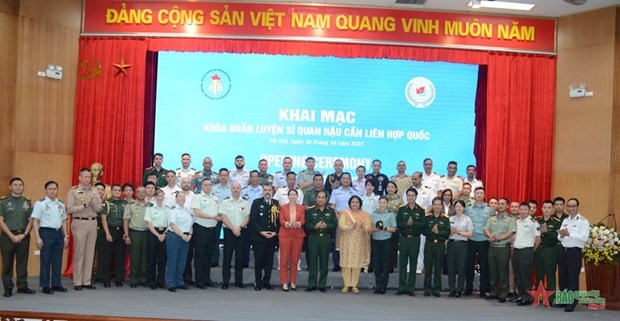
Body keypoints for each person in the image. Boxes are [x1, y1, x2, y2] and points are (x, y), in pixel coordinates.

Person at [67, 169, 102, 291]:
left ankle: (87, 281)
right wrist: (85, 205)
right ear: (80, 177)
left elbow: (99, 209)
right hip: (79, 222)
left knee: (90, 253)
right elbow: (69, 209)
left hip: (93, 222)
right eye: (85, 177)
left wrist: (93, 204)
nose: (88, 179)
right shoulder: (73, 191)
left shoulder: (95, 190)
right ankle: (77, 281)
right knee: (79, 252)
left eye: (89, 177)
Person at [32, 180, 68, 295]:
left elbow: (63, 221)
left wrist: (65, 236)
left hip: (58, 234)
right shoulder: (40, 204)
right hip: (46, 233)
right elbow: (35, 221)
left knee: (57, 261)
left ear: (57, 190)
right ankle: (45, 285)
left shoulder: (61, 204)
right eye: (50, 189)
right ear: (45, 190)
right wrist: (37, 237)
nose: (53, 191)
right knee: (46, 260)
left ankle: (56, 284)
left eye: (55, 189)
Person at [557, 198, 590, 312]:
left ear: (577, 207)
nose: (571, 208)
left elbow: (584, 238)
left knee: (573, 279)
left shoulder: (583, 221)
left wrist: (569, 234)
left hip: (574, 252)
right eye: (569, 206)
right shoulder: (565, 220)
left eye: (573, 206)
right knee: (563, 278)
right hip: (563, 251)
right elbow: (559, 237)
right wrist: (561, 235)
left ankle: (573, 301)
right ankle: (564, 300)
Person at [484, 198, 516, 302]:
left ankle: (503, 293)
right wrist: (490, 237)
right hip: (492, 248)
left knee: (503, 272)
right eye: (498, 204)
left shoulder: (511, 219)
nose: (500, 205)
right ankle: (494, 292)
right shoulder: (492, 218)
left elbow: (511, 233)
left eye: (503, 204)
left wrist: (497, 239)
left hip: (503, 248)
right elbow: (486, 229)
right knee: (493, 272)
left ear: (507, 206)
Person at [338, 195, 372, 294]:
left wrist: (363, 227)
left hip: (359, 241)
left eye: (357, 202)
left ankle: (354, 285)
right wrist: (350, 226)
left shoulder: (365, 214)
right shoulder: (344, 213)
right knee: (346, 262)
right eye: (353, 202)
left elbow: (369, 228)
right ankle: (346, 284)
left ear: (360, 203)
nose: (355, 204)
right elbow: (341, 225)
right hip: (347, 240)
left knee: (356, 263)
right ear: (349, 203)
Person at [190, 179, 221, 289]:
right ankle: (199, 281)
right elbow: (197, 212)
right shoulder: (197, 197)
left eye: (209, 185)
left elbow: (219, 213)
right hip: (200, 229)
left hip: (212, 230)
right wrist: (212, 217)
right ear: (202, 186)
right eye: (205, 185)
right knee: (200, 256)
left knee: (208, 256)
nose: (208, 187)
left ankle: (207, 279)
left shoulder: (216, 198)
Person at [219, 182, 250, 289]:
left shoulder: (245, 203)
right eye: (234, 188)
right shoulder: (225, 202)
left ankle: (239, 281)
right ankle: (225, 282)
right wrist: (233, 228)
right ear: (230, 189)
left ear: (240, 189)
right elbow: (223, 216)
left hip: (241, 231)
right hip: (229, 231)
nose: (236, 190)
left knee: (239, 257)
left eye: (238, 188)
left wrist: (239, 228)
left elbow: (247, 217)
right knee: (227, 257)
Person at [463, 187, 493, 297]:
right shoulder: (468, 209)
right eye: (477, 193)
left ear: (484, 195)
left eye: (481, 193)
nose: (479, 195)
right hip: (471, 240)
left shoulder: (490, 210)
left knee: (484, 266)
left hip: (484, 240)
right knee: (469, 265)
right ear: (474, 195)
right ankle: (468, 288)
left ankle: (483, 289)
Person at [395, 188, 425, 296]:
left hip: (415, 239)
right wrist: (406, 224)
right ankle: (402, 287)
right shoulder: (402, 209)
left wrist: (413, 224)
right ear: (406, 197)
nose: (411, 197)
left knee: (413, 263)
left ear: (416, 197)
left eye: (413, 195)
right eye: (409, 195)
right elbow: (398, 224)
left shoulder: (421, 210)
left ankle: (411, 287)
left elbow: (422, 226)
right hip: (403, 238)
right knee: (402, 263)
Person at [305, 190, 337, 292]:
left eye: (323, 197)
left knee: (324, 262)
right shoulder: (310, 210)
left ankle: (322, 284)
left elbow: (334, 224)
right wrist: (315, 226)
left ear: (326, 199)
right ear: (316, 198)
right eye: (319, 197)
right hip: (313, 238)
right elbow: (306, 225)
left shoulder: (331, 211)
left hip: (325, 238)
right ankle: (312, 284)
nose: (321, 199)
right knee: (312, 262)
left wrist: (326, 225)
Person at [250, 184, 279, 290]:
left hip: (272, 237)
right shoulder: (256, 202)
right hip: (259, 237)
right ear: (262, 191)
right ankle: (258, 282)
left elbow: (278, 220)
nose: (267, 192)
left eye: (269, 190)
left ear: (272, 191)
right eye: (265, 190)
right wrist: (261, 232)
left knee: (269, 261)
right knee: (258, 261)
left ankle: (267, 281)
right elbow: (253, 219)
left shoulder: (276, 203)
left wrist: (275, 232)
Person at [328, 172, 359, 271]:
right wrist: (338, 219)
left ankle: (349, 263)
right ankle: (337, 264)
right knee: (338, 242)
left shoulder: (355, 192)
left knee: (350, 242)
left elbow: (357, 206)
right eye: (343, 178)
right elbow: (332, 206)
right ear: (340, 180)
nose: (345, 180)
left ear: (350, 180)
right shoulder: (335, 191)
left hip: (352, 219)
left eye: (347, 178)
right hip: (339, 217)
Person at [512, 202, 541, 306]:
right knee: (518, 275)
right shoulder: (517, 221)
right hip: (516, 251)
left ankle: (527, 297)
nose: (523, 211)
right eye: (521, 209)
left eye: (525, 209)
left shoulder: (533, 222)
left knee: (526, 276)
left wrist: (531, 251)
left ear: (529, 211)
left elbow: (538, 239)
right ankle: (521, 295)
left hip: (526, 251)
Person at [165, 192, 193, 292]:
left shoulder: (187, 210)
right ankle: (170, 283)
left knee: (182, 261)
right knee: (173, 261)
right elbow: (172, 225)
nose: (182, 198)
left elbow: (191, 224)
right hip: (175, 237)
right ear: (176, 199)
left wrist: (189, 235)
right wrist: (182, 235)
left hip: (186, 237)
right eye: (180, 197)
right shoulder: (173, 209)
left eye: (183, 197)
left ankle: (179, 281)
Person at [406, 172, 433, 275]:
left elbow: (431, 205)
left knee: (421, 245)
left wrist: (424, 215)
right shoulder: (408, 191)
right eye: (412, 179)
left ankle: (419, 266)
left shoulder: (428, 191)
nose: (414, 180)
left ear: (421, 178)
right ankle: (409, 266)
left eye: (416, 179)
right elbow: (405, 205)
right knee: (409, 245)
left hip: (422, 221)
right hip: (409, 221)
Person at [123, 186, 150, 287]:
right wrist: (126, 235)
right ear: (136, 193)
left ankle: (142, 278)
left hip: (147, 233)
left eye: (144, 192)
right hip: (134, 233)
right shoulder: (130, 205)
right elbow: (125, 221)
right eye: (139, 192)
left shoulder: (150, 206)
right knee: (134, 257)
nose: (142, 194)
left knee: (145, 257)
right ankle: (133, 278)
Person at [100, 184, 127, 288]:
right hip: (110, 231)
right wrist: (107, 233)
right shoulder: (106, 203)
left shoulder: (124, 203)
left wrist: (125, 233)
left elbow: (126, 220)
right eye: (115, 190)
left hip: (120, 231)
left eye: (119, 190)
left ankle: (118, 279)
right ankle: (106, 279)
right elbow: (103, 219)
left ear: (121, 192)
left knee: (120, 256)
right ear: (111, 191)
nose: (117, 192)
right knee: (107, 256)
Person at [423, 197, 450, 297]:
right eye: (435, 204)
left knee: (438, 267)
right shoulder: (427, 217)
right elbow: (424, 231)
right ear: (432, 205)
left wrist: (438, 232)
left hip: (440, 244)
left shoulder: (445, 219)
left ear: (442, 206)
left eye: (439, 205)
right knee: (428, 267)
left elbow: (447, 233)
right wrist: (432, 231)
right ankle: (427, 288)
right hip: (429, 244)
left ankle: (436, 289)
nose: (437, 207)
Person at [279, 189, 306, 291]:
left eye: (295, 194)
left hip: (297, 235)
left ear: (297, 196)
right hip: (285, 234)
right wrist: (287, 224)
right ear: (288, 196)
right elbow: (281, 220)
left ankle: (293, 281)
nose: (293, 196)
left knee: (295, 259)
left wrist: (298, 224)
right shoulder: (283, 207)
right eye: (291, 194)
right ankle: (284, 282)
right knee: (284, 259)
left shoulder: (301, 208)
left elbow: (302, 220)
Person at [535, 200, 561, 304]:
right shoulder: (536, 221)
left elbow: (557, 238)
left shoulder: (557, 222)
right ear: (541, 209)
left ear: (552, 210)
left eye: (549, 208)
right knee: (539, 275)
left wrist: (546, 233)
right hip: (538, 250)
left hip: (550, 250)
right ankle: (539, 297)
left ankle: (550, 299)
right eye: (545, 207)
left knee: (550, 275)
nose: (546, 209)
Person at [371, 196, 397, 294]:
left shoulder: (390, 215)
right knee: (377, 264)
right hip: (375, 240)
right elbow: (370, 227)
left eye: (384, 202)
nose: (382, 204)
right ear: (378, 203)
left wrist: (384, 228)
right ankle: (378, 285)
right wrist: (374, 229)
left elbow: (394, 229)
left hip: (386, 240)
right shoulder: (373, 214)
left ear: (387, 204)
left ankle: (383, 286)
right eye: (380, 202)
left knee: (385, 264)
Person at [447, 200, 473, 298]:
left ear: (464, 208)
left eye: (460, 206)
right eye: (457, 206)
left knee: (461, 268)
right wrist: (452, 232)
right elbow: (447, 234)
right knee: (451, 268)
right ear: (454, 208)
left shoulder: (467, 219)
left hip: (462, 245)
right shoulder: (450, 219)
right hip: (451, 244)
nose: (458, 208)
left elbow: (470, 233)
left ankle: (459, 289)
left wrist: (458, 232)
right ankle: (451, 289)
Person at [145, 189, 169, 290]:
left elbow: (170, 223)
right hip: (153, 233)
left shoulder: (167, 209)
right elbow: (148, 223)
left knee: (163, 259)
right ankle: (151, 281)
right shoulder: (150, 208)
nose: (160, 198)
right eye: (158, 196)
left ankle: (161, 281)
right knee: (152, 258)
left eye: (162, 196)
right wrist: (157, 235)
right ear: (155, 197)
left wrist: (163, 234)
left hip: (164, 233)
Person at [241, 170, 263, 268]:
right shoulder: (244, 190)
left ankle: (259, 264)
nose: (254, 178)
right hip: (247, 219)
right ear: (250, 178)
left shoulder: (263, 190)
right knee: (245, 243)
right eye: (252, 176)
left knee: (259, 244)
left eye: (256, 176)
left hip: (260, 221)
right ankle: (245, 262)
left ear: (259, 178)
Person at [211, 168, 231, 268]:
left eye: (225, 175)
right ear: (219, 176)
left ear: (228, 176)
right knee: (215, 239)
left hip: (229, 218)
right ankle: (214, 260)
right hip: (217, 217)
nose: (223, 177)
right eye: (222, 175)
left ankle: (227, 262)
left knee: (229, 241)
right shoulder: (213, 188)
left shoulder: (232, 189)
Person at [385, 181, 402, 271]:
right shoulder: (383, 198)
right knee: (385, 247)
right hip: (384, 226)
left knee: (393, 246)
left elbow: (401, 212)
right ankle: (385, 264)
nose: (390, 189)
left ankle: (392, 265)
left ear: (395, 189)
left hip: (394, 225)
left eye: (392, 187)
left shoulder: (399, 199)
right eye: (388, 187)